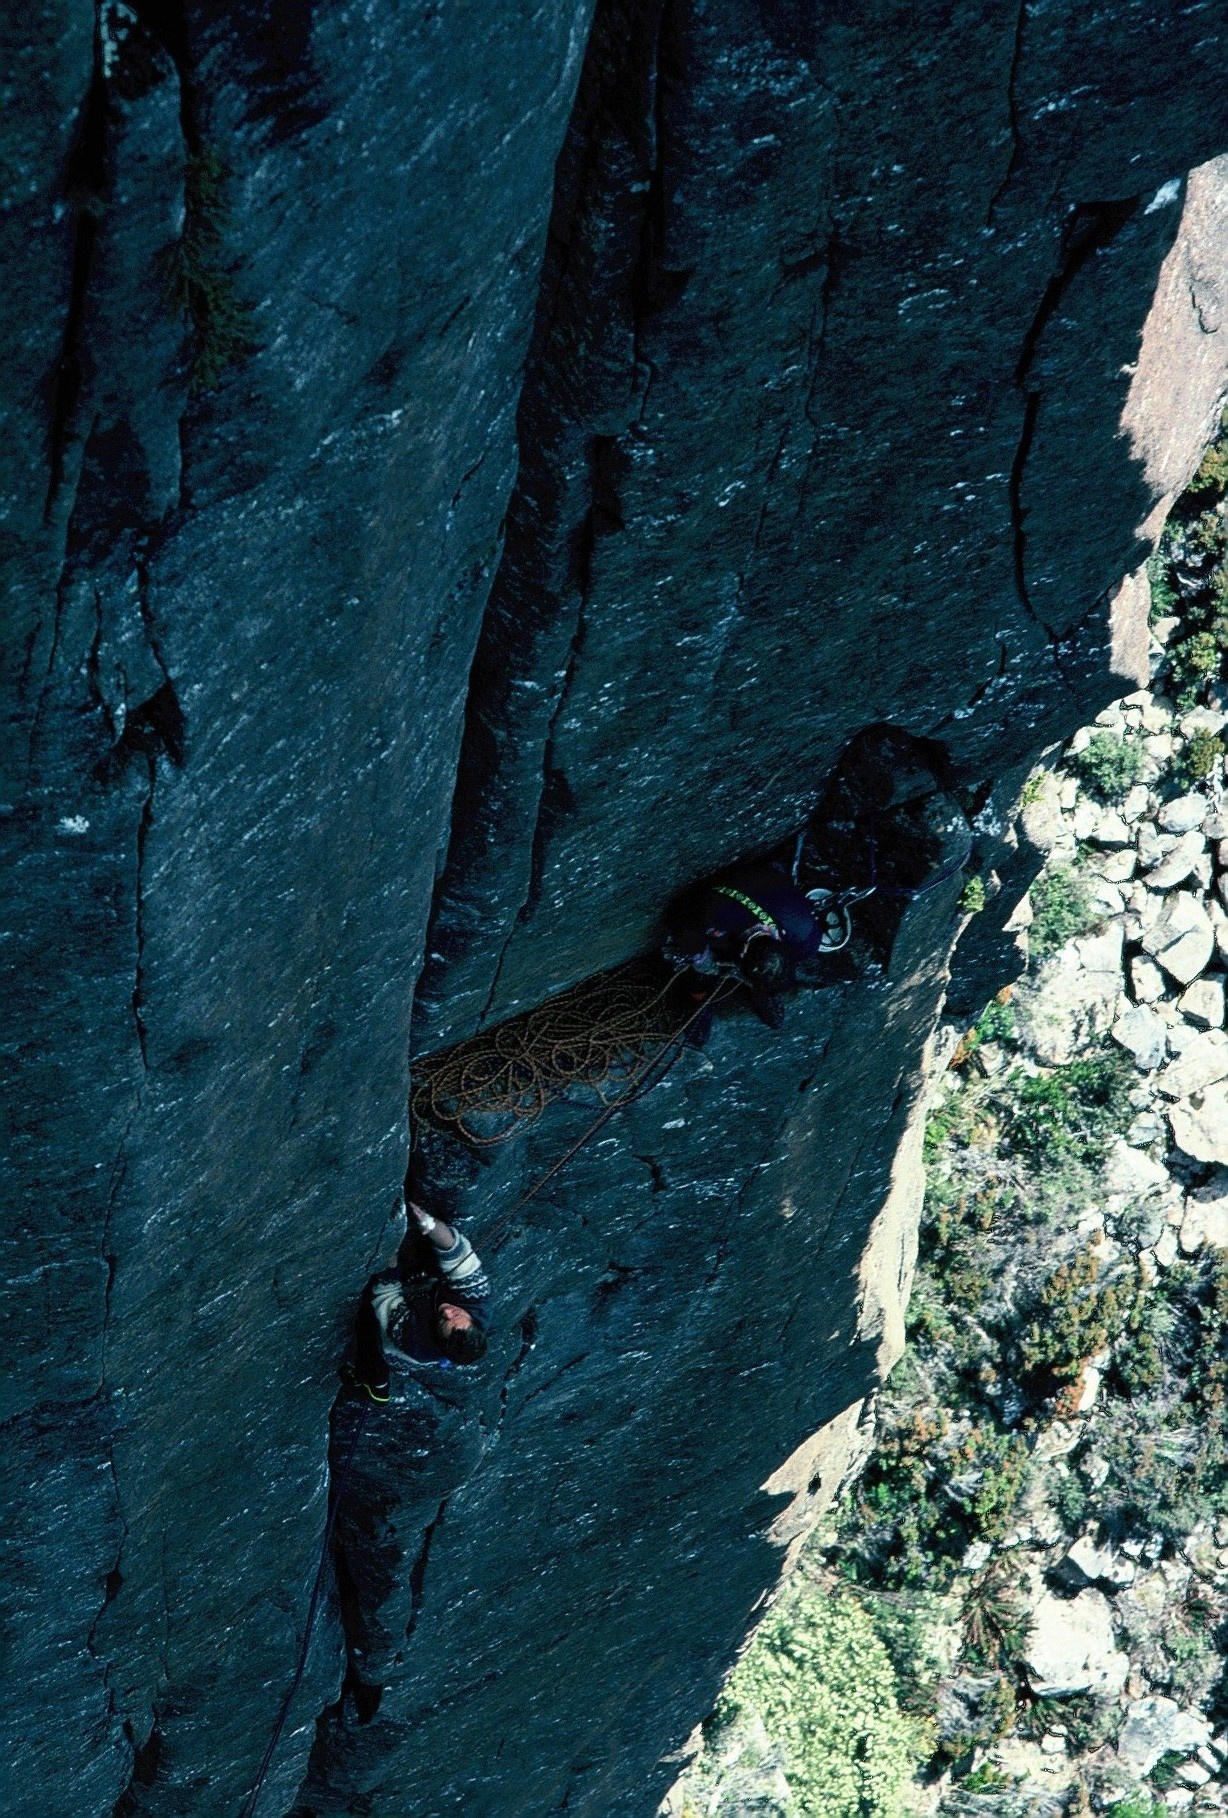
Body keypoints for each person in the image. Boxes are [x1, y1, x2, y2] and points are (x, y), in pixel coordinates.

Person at [350, 1204, 491, 1403]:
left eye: (444, 1320)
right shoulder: (478, 1302)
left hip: (393, 1344)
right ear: (473, 1320)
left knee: (366, 1325)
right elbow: (457, 1252)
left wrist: (390, 1246)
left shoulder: (416, 1342)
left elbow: (384, 1293)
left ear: (439, 1338)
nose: (448, 1312)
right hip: (425, 1295)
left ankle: (377, 1383)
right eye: (458, 1314)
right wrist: (429, 1224)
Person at [665, 860, 827, 1029]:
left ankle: (763, 988)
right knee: (699, 958)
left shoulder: (805, 935)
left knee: (777, 966)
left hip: (762, 882)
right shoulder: (713, 912)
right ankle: (698, 996)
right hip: (729, 893)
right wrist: (701, 957)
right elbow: (679, 916)